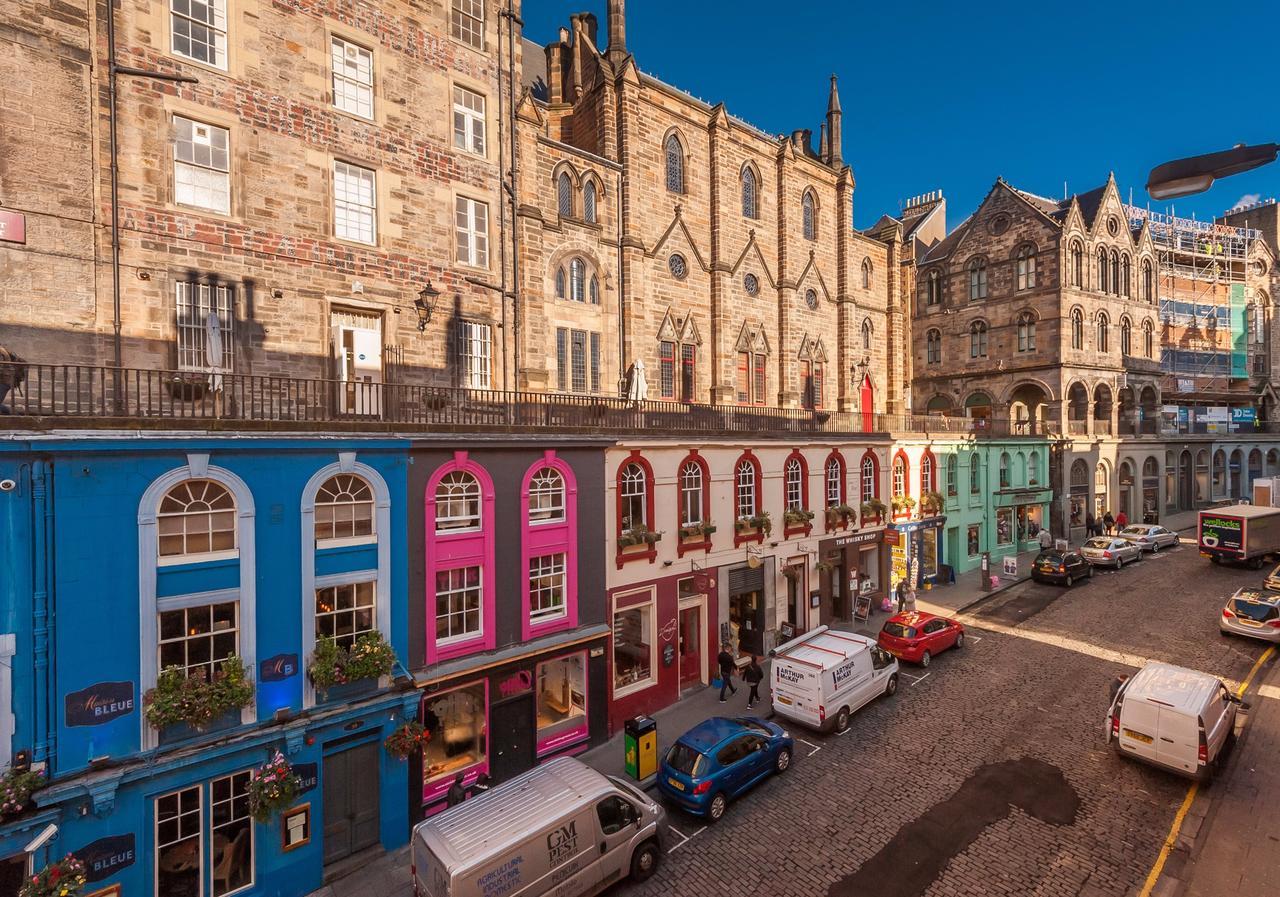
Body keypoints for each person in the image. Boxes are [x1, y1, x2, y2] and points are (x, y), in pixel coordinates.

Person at [0, 345, 27, 415]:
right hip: (5, 380)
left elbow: (1, 368)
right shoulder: (2, 350)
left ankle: (17, 417)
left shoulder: (1, 351)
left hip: (4, 381)